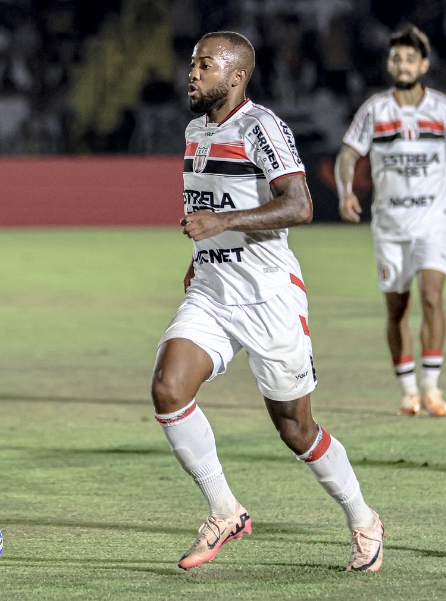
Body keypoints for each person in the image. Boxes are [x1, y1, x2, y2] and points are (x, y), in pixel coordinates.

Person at [151, 31, 383, 572]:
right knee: (168, 387)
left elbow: (300, 205)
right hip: (213, 291)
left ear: (235, 76)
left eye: (204, 66)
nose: (192, 73)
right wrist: (201, 253)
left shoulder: (262, 127)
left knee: (296, 428)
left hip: (268, 298)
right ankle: (224, 509)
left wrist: (221, 223)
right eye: (192, 64)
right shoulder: (194, 130)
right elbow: (210, 200)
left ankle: (363, 519)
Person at [336, 24, 446, 417]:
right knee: (397, 308)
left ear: (424, 64)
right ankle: (407, 389)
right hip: (390, 227)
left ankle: (431, 387)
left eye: (410, 58)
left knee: (432, 296)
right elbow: (347, 155)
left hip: (431, 221)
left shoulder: (443, 109)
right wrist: (345, 191)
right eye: (396, 57)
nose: (403, 64)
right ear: (389, 63)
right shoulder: (374, 109)